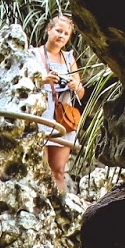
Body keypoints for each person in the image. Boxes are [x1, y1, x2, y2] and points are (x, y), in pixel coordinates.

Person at [26, 13, 85, 194]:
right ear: (48, 30)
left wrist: (75, 85)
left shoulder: (69, 58)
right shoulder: (33, 54)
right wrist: (43, 80)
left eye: (66, 34)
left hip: (63, 120)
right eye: (58, 31)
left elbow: (81, 94)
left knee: (58, 170)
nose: (61, 36)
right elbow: (21, 85)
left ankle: (61, 209)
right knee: (39, 170)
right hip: (40, 118)